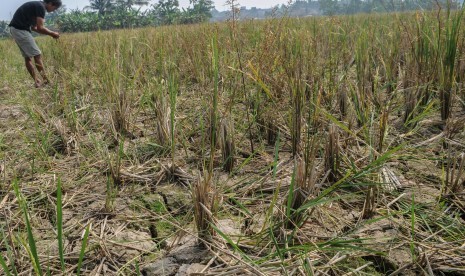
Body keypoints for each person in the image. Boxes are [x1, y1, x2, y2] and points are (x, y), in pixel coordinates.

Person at [9, 0, 62, 88]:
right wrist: (52, 33)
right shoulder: (41, 7)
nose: (54, 10)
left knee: (28, 57)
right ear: (51, 4)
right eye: (54, 8)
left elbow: (34, 28)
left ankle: (37, 81)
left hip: (16, 29)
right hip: (20, 30)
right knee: (37, 55)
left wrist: (50, 33)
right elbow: (40, 28)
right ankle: (46, 81)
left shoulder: (36, 6)